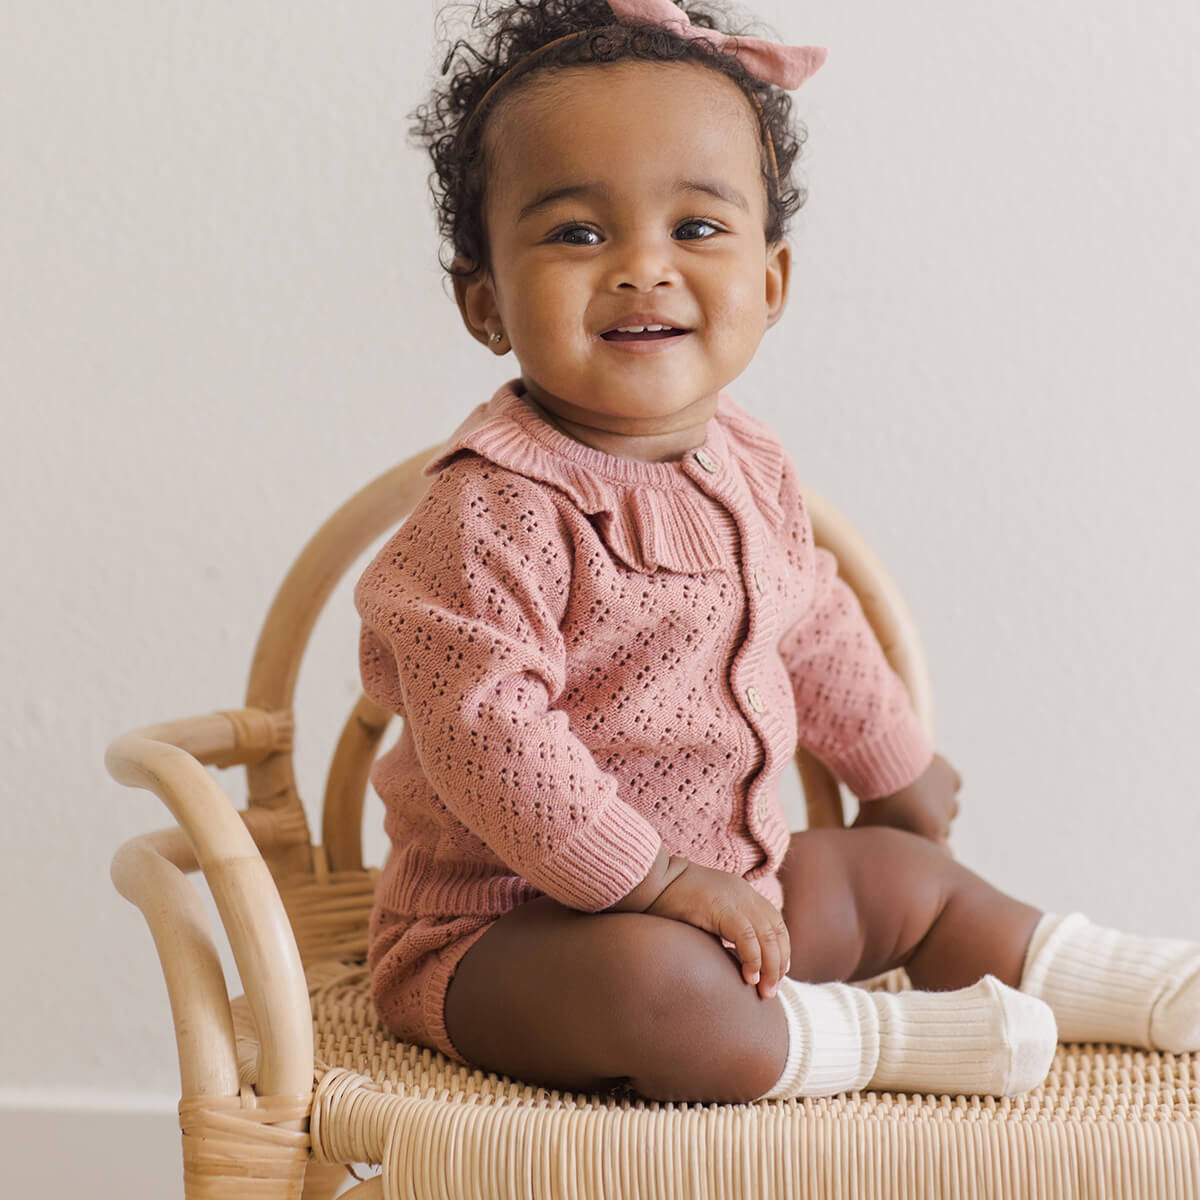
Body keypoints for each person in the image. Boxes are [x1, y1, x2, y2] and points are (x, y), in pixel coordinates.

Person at [354, 0, 1200, 1104]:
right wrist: (658, 880)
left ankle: (1127, 985)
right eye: (577, 234)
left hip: (732, 890)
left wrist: (892, 764)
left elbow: (812, 617)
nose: (643, 268)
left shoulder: (749, 462)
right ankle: (877, 1039)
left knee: (902, 875)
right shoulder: (489, 511)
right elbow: (490, 739)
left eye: (696, 228)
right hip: (509, 939)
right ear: (485, 303)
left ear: (769, 283)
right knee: (655, 985)